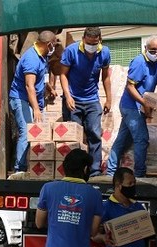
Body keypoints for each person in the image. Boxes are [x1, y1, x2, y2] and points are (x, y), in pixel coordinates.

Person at [106, 35, 157, 177]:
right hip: (131, 106)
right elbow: (130, 87)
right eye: (152, 50)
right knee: (141, 139)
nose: (156, 54)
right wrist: (144, 103)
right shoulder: (139, 62)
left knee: (122, 139)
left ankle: (110, 172)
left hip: (141, 105)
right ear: (145, 48)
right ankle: (140, 174)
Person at [59, 26, 112, 176]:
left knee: (94, 134)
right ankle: (75, 171)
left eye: (94, 43)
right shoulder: (71, 51)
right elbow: (63, 75)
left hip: (92, 100)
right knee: (75, 138)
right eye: (89, 43)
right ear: (83, 39)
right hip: (73, 100)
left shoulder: (104, 52)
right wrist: (68, 96)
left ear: (99, 41)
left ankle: (94, 170)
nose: (91, 46)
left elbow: (106, 77)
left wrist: (109, 99)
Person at [9, 30, 57, 173]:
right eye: (54, 44)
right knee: (27, 132)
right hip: (20, 98)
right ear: (49, 44)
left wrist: (49, 88)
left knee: (34, 131)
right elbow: (29, 86)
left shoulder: (42, 56)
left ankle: (30, 165)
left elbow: (39, 78)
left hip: (31, 99)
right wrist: (36, 109)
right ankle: (20, 169)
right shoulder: (31, 59)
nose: (54, 47)